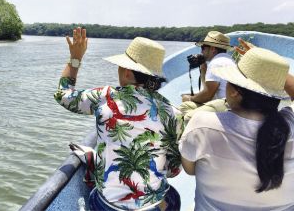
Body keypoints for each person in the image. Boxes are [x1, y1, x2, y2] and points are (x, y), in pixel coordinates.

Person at [55, 27, 183, 210]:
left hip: (107, 205)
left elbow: (63, 95)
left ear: (128, 73)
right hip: (152, 206)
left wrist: (75, 59)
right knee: (172, 197)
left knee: (95, 194)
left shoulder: (106, 97)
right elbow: (173, 171)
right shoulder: (173, 113)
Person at [179, 46, 294, 210]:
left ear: (234, 92)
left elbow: (190, 170)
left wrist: (260, 65)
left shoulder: (202, 125)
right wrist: (271, 70)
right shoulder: (291, 122)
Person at [180, 31, 236, 121]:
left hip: (224, 105)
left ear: (213, 49)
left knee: (185, 106)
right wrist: (203, 66)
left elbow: (207, 95)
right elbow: (208, 89)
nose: (201, 51)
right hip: (232, 105)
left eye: (203, 48)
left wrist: (190, 99)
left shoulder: (216, 63)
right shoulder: (229, 60)